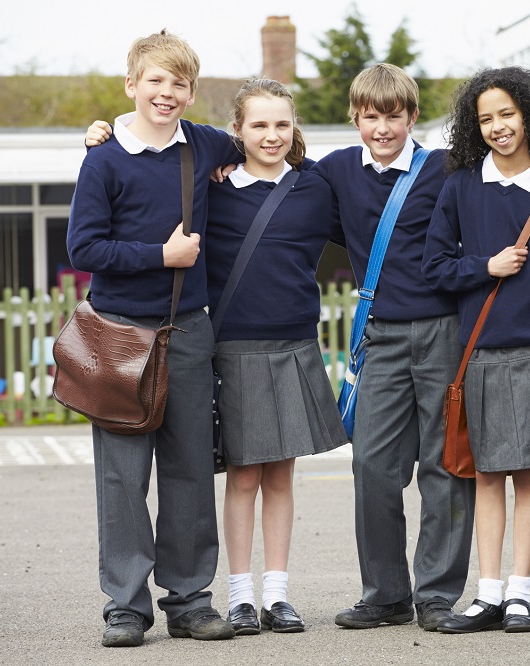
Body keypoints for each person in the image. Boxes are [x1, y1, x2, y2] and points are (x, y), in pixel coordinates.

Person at [312, 63, 530, 633]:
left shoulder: (447, 168)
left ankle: (437, 594)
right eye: (370, 116)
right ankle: (384, 593)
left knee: (447, 465)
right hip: (381, 333)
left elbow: (523, 193)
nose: (383, 127)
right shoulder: (336, 169)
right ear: (355, 118)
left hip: (447, 332)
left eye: (394, 115)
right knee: (373, 465)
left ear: (414, 116)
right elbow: (276, 172)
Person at [66, 29, 242, 647]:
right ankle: (125, 604)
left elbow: (265, 141)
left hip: (189, 332)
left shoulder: (206, 144)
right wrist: (160, 255)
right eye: (156, 81)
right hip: (119, 338)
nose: (166, 93)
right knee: (121, 476)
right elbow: (83, 248)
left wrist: (283, 141)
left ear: (192, 94)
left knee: (191, 469)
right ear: (131, 86)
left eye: (179, 84)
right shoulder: (104, 156)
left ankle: (190, 598)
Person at [421, 66, 530, 634]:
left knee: (529, 475)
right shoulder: (461, 186)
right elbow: (435, 266)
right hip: (480, 352)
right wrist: (484, 267)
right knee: (486, 474)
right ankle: (486, 593)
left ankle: (520, 593)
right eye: (485, 118)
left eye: (507, 114)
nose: (497, 127)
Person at [206, 79, 348, 635]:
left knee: (282, 477)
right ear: (237, 130)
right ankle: (240, 596)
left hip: (294, 344)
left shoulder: (315, 187)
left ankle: (277, 594)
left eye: (282, 124)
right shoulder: (214, 187)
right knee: (243, 477)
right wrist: (103, 133)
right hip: (233, 346)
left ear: (295, 129)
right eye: (259, 125)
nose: (271, 135)